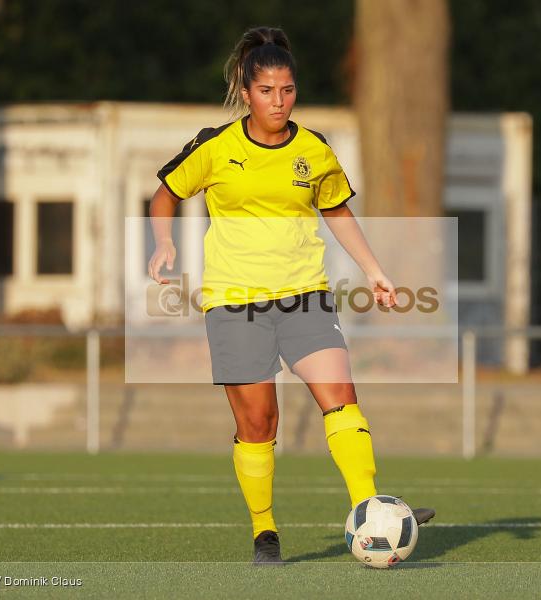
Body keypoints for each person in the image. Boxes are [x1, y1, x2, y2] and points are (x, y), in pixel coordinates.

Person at [149, 26, 434, 565]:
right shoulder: (217, 146)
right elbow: (166, 192)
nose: (278, 102)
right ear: (245, 90)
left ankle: (370, 506)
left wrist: (374, 271)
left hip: (304, 297)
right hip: (235, 305)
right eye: (266, 91)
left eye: (287, 90)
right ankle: (264, 531)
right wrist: (164, 243)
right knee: (259, 423)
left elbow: (337, 210)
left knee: (341, 396)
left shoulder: (314, 149)